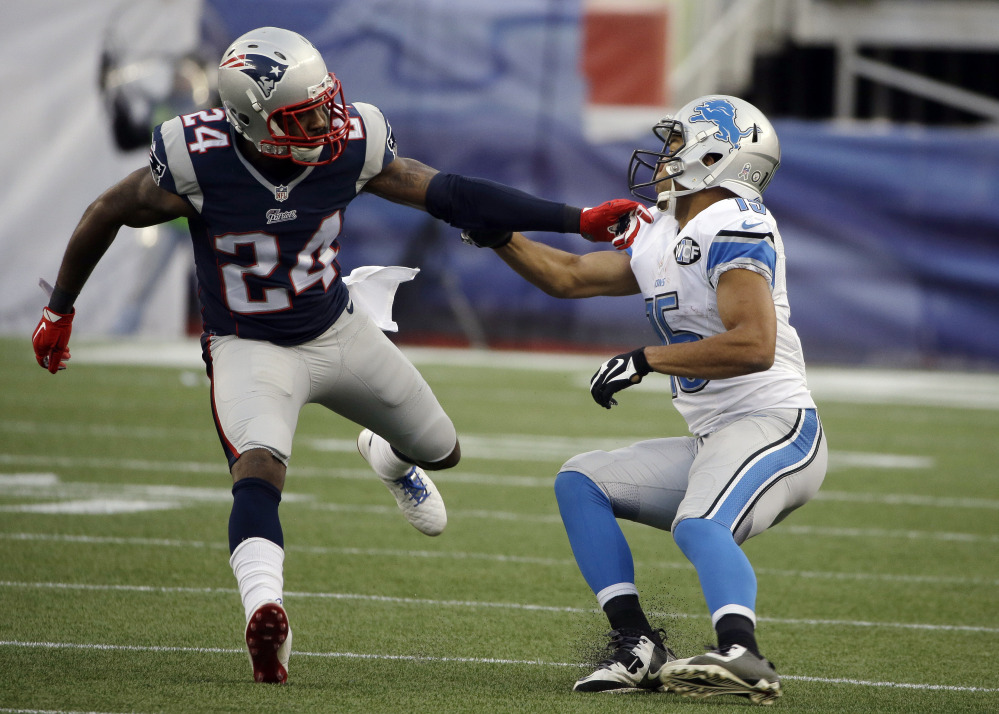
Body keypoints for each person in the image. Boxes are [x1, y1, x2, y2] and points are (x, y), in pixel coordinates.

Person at [30, 26, 648, 685]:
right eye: (304, 115)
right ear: (251, 121)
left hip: (337, 330)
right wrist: (59, 307)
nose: (327, 121)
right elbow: (107, 210)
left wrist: (576, 219)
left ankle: (385, 457)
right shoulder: (198, 158)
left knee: (442, 449)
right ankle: (266, 613)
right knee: (258, 470)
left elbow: (452, 194)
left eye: (326, 103)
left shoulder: (349, 144)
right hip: (248, 344)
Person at [461, 95, 827, 705]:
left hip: (776, 426)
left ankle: (744, 655)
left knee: (700, 522)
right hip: (719, 435)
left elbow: (755, 344)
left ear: (717, 155)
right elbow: (570, 278)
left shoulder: (736, 221)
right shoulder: (667, 230)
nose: (663, 156)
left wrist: (645, 358)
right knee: (582, 482)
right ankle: (636, 645)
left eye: (678, 143)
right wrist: (501, 236)